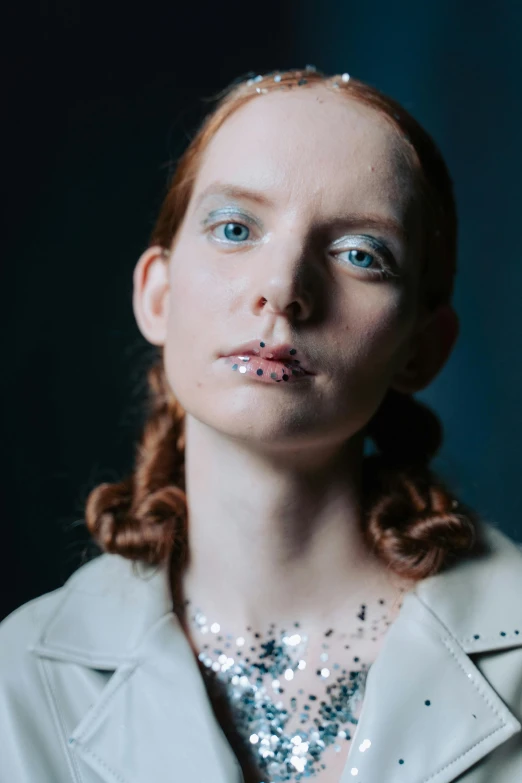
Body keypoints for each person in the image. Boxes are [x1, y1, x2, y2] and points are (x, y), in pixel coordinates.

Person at [1, 66, 521, 783]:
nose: (282, 288)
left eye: (360, 254)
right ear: (157, 293)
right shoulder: (17, 682)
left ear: (422, 348)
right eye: (235, 228)